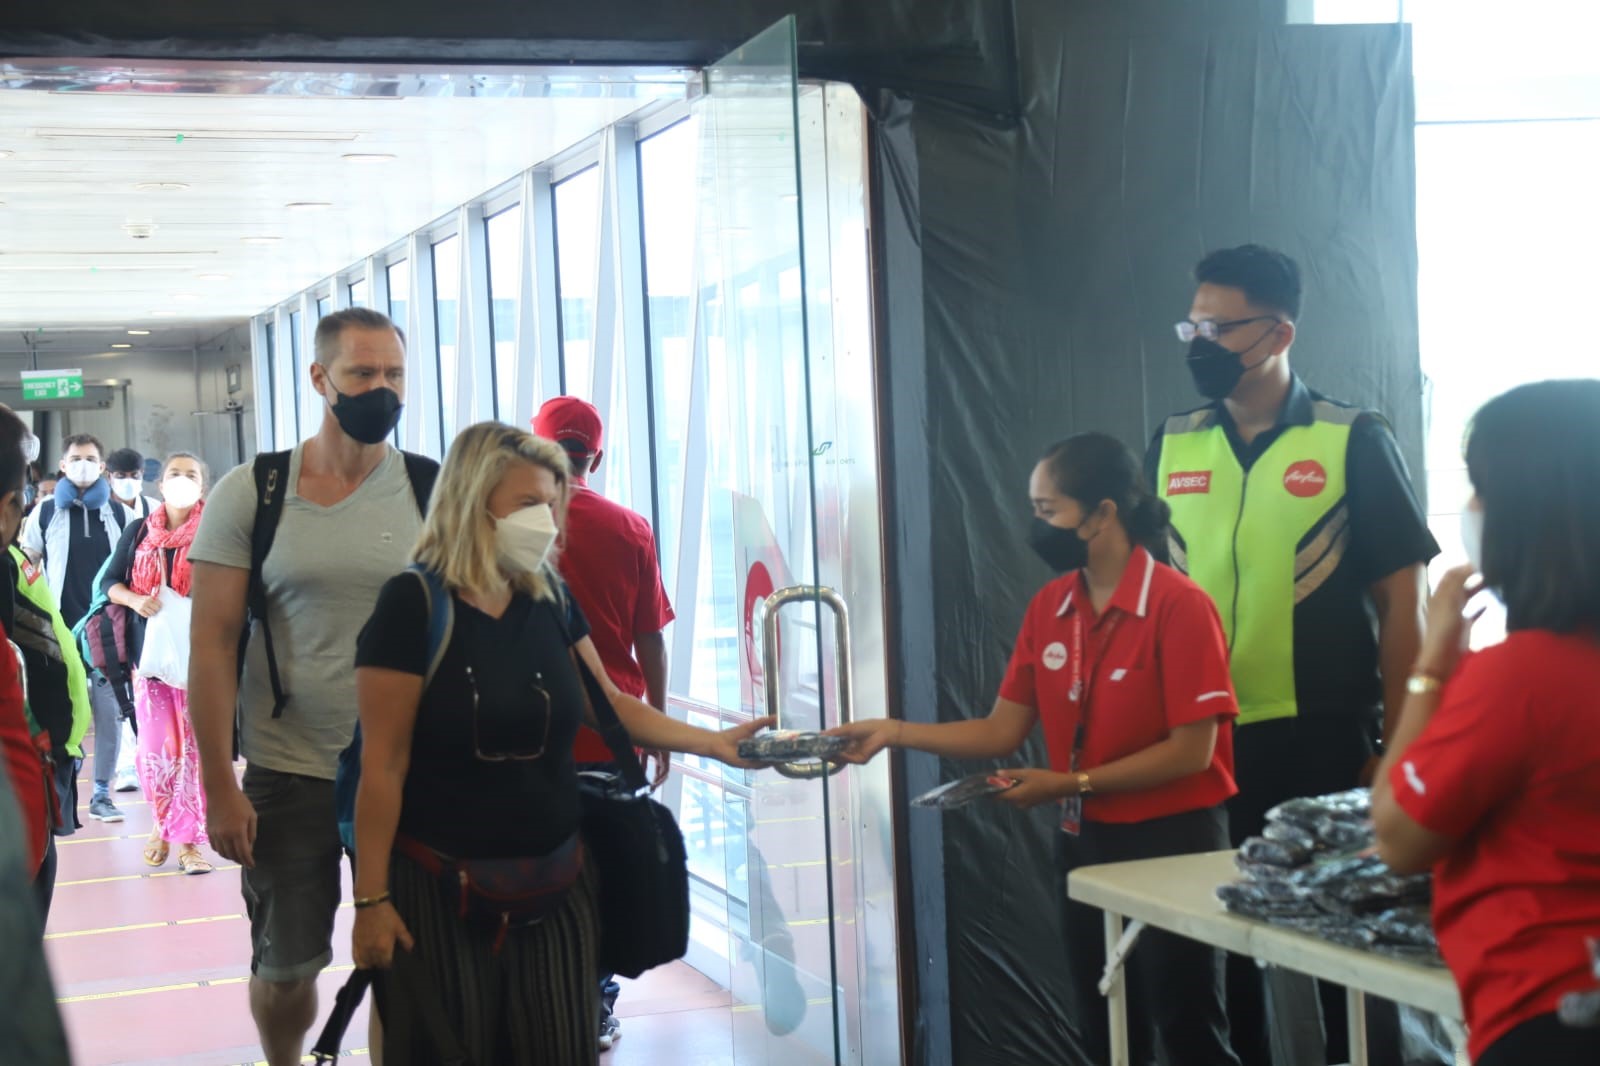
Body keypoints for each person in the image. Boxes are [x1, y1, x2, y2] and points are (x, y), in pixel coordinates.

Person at [350, 422, 770, 1064]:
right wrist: (372, 900)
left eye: (551, 503)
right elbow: (382, 766)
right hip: (441, 886)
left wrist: (712, 743)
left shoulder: (549, 597)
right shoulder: (413, 605)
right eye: (527, 504)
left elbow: (609, 704)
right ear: (472, 501)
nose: (545, 521)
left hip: (555, 880)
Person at [831, 433, 1242, 1066]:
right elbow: (1001, 730)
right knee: (1105, 1020)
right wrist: (894, 732)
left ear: (1102, 514)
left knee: (1186, 1021)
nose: (1036, 526)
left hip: (1173, 840)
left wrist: (1071, 784)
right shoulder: (1052, 606)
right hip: (1087, 839)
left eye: (1048, 511)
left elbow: (1192, 752)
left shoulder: (1179, 605)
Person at [1146, 244, 1439, 1066]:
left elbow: (1405, 605)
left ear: (1278, 333)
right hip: (1205, 744)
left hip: (1323, 738)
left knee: (1352, 953)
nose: (1200, 343)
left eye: (1219, 327)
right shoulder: (1173, 441)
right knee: (1224, 942)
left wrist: (1398, 749)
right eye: (1192, 327)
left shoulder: (1352, 438)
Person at [188, 308, 432, 1066]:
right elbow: (212, 645)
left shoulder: (432, 490)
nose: (382, 389)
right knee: (286, 968)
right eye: (363, 373)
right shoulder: (254, 492)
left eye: (394, 374)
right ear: (321, 378)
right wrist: (218, 786)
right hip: (289, 772)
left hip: (409, 774)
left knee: (403, 968)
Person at [1372, 380, 1600, 1066]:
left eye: (1479, 488)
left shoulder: (1520, 677)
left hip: (1553, 1013)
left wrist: (1431, 669)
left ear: (1533, 512)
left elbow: (1399, 837)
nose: (1471, 509)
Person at [532, 395, 675, 1051]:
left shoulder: (515, 525)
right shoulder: (630, 528)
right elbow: (651, 639)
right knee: (604, 877)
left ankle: (539, 1003)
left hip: (531, 740)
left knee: (537, 874)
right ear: (599, 455)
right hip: (612, 738)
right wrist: (656, 726)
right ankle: (594, 1008)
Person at [103, 453, 214, 876]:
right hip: (151, 660)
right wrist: (135, 600)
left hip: (203, 660)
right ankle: (163, 824)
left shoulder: (216, 531)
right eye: (174, 474)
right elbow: (109, 582)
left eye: (191, 474)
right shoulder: (139, 531)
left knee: (194, 753)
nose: (182, 480)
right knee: (156, 751)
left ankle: (188, 844)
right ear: (161, 484)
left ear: (202, 486)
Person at [20, 433, 139, 825]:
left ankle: (102, 793)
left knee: (109, 713)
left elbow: (132, 569)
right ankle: (58, 793)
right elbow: (27, 563)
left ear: (102, 466)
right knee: (60, 713)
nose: (83, 464)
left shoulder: (120, 515)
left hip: (105, 632)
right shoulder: (44, 513)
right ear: (63, 465)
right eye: (76, 458)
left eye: (90, 458)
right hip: (57, 632)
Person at [106, 448, 155, 794]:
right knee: (119, 689)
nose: (128, 482)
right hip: (113, 607)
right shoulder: (102, 511)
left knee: (148, 690)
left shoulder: (155, 510)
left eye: (134, 475)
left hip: (149, 615)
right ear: (108, 476)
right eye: (120, 476)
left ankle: (149, 759)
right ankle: (125, 765)